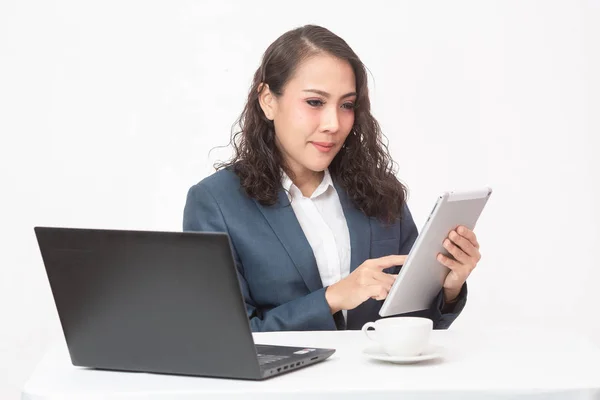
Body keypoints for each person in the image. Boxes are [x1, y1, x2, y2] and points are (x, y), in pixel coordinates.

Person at [183, 24, 481, 332]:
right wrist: (332, 298)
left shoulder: (379, 191)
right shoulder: (216, 204)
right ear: (268, 100)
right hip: (284, 381)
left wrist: (449, 287)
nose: (333, 123)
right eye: (315, 102)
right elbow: (224, 334)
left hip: (379, 379)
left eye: (347, 105)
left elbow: (411, 322)